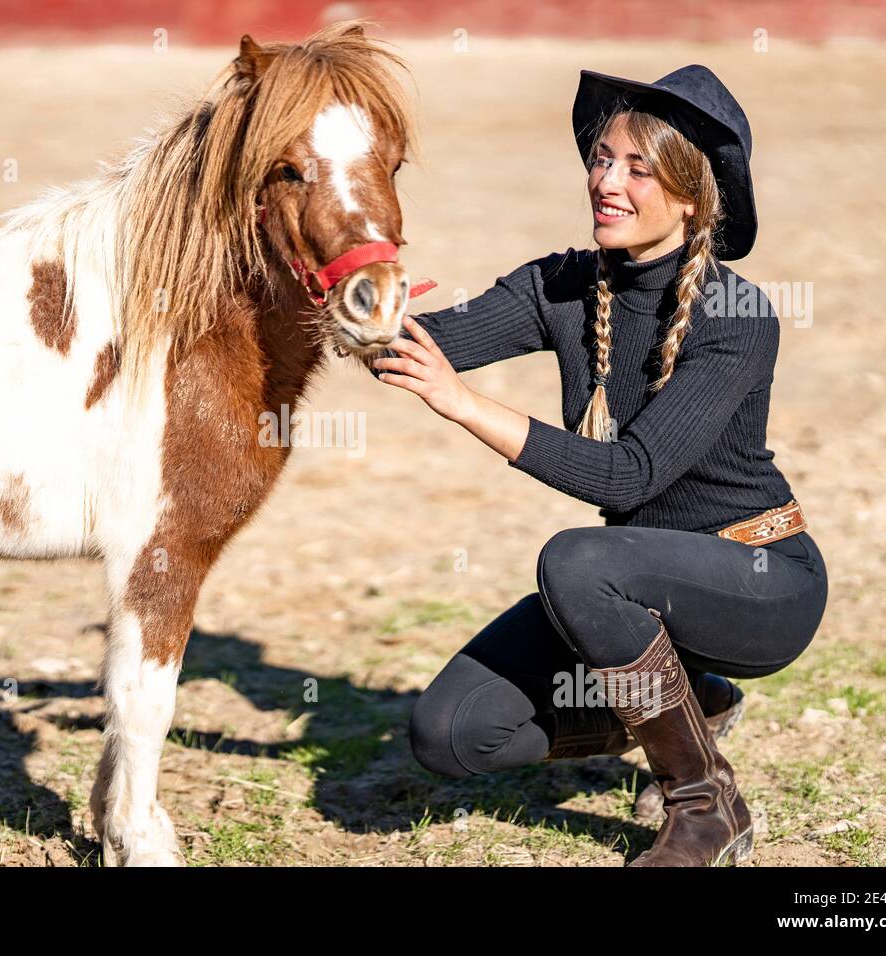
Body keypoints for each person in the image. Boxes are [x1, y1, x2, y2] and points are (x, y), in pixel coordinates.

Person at [369, 65, 828, 867]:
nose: (605, 181)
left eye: (637, 168)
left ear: (691, 194)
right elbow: (414, 348)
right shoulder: (564, 284)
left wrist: (465, 406)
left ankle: (704, 806)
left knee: (576, 558)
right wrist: (362, 307)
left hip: (759, 580)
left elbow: (630, 477)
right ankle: (696, 703)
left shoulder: (737, 313)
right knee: (448, 734)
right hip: (630, 591)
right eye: (601, 158)